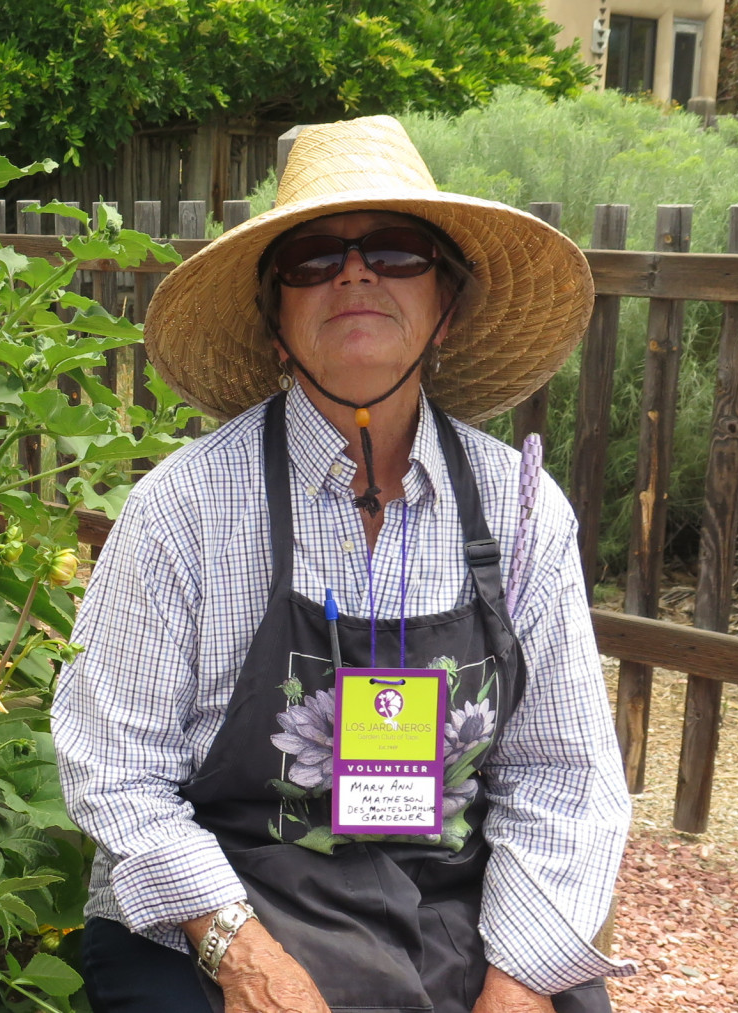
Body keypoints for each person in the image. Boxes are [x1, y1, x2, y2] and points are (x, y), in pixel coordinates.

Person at [51, 116, 633, 1013]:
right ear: (275, 325)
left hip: (451, 902)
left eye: (397, 251)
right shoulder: (185, 508)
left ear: (448, 308)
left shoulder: (521, 514)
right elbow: (116, 770)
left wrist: (516, 982)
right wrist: (239, 954)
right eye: (313, 260)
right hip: (224, 904)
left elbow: (563, 774)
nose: (355, 272)